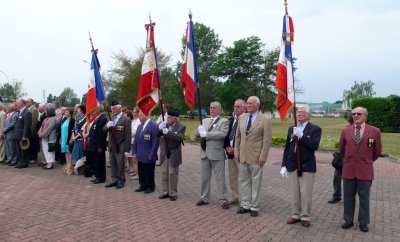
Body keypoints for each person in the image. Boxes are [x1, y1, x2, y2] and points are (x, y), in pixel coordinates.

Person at [340, 107, 382, 232]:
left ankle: (363, 222)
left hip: (365, 170)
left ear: (365, 116)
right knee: (348, 197)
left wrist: (366, 161)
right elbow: (342, 149)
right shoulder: (346, 131)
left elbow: (377, 151)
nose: (356, 115)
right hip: (348, 170)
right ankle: (348, 220)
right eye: (353, 114)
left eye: (359, 113)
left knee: (364, 198)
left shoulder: (374, 131)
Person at [280, 105, 322, 227]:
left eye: (302, 112)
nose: (299, 114)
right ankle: (295, 214)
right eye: (298, 112)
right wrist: (284, 164)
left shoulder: (315, 129)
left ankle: (305, 216)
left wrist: (302, 136)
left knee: (306, 193)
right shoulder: (291, 128)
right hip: (292, 165)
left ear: (309, 115)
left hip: (307, 165)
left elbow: (314, 145)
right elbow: (287, 148)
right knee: (294, 192)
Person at [235, 96, 272, 217]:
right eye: (247, 103)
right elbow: (238, 137)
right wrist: (237, 152)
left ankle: (254, 207)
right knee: (243, 181)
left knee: (256, 182)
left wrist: (263, 157)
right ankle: (245, 204)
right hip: (243, 155)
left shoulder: (265, 120)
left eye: (250, 103)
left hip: (256, 156)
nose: (248, 105)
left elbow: (267, 141)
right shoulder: (242, 117)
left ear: (257, 105)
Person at [195, 101, 230, 209]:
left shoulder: (224, 121)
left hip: (216, 153)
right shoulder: (204, 121)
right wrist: (199, 131)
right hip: (204, 153)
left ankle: (223, 199)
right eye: (211, 108)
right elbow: (197, 134)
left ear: (220, 109)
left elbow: (222, 134)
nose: (212, 110)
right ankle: (204, 198)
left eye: (214, 108)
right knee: (204, 177)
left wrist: (206, 134)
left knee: (220, 178)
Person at [157, 109, 186, 201]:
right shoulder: (164, 125)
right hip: (164, 152)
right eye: (167, 117)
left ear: (175, 119)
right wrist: (160, 129)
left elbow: (179, 138)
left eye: (169, 117)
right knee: (164, 173)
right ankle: (165, 192)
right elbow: (156, 134)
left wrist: (168, 132)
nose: (167, 119)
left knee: (172, 173)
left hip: (174, 152)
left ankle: (173, 193)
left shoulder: (181, 126)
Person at [103, 101, 132, 189]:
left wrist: (127, 150)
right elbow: (103, 130)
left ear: (120, 108)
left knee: (120, 164)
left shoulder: (126, 119)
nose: (113, 110)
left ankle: (121, 181)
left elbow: (128, 135)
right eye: (112, 109)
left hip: (121, 145)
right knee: (113, 163)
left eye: (114, 108)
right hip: (112, 145)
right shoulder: (110, 118)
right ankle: (114, 179)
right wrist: (108, 126)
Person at [224, 99, 246, 205]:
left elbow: (246, 139)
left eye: (238, 106)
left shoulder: (246, 120)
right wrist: (227, 147)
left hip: (241, 154)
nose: (236, 108)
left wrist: (236, 150)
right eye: (235, 106)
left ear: (244, 108)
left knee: (243, 178)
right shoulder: (231, 119)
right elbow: (227, 135)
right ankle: (234, 197)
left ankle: (245, 200)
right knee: (232, 177)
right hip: (230, 153)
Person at [132, 110, 160, 194]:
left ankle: (150, 186)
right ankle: (142, 185)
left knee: (149, 171)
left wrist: (152, 153)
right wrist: (134, 151)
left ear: (146, 115)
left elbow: (156, 142)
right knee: (141, 170)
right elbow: (136, 140)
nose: (139, 117)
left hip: (148, 153)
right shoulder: (140, 126)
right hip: (140, 153)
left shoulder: (154, 126)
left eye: (140, 116)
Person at [328, 115, 354, 204]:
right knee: (339, 178)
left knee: (342, 179)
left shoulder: (348, 130)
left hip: (350, 160)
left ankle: (341, 197)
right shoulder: (346, 130)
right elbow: (341, 145)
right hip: (344, 159)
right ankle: (339, 196)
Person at [87, 109, 108, 184]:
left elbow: (101, 134)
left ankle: (101, 177)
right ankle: (97, 176)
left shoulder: (103, 118)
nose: (93, 110)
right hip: (93, 144)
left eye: (95, 109)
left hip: (98, 144)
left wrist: (100, 146)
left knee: (100, 162)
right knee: (96, 161)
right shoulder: (97, 118)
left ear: (98, 110)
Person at [37, 104, 57, 169]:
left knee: (50, 151)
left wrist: (42, 134)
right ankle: (48, 163)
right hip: (44, 138)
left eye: (46, 110)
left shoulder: (53, 119)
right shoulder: (46, 119)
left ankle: (50, 164)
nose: (45, 112)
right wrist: (39, 132)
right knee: (45, 150)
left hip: (49, 138)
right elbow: (42, 127)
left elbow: (49, 129)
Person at [14, 99, 32, 169]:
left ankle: (25, 163)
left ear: (22, 104)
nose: (16, 105)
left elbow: (27, 125)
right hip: (17, 134)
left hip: (22, 135)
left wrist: (24, 135)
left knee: (24, 149)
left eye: (17, 103)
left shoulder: (27, 112)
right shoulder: (20, 112)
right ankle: (21, 162)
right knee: (19, 150)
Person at [126, 108, 140, 179]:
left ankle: (138, 173)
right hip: (131, 140)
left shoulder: (138, 121)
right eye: (133, 112)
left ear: (138, 113)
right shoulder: (134, 120)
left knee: (135, 158)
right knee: (131, 155)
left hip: (134, 140)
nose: (133, 113)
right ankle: (134, 171)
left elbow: (134, 131)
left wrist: (127, 135)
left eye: (134, 112)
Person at [60, 108, 75, 172]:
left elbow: (73, 131)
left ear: (70, 113)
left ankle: (71, 165)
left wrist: (71, 139)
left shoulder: (72, 120)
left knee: (69, 151)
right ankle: (67, 165)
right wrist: (60, 138)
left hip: (68, 138)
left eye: (67, 112)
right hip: (63, 138)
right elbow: (61, 129)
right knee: (66, 152)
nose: (65, 113)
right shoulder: (64, 120)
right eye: (65, 112)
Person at [26, 98, 39, 164]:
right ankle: (30, 157)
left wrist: (32, 130)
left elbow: (34, 121)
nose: (26, 103)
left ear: (31, 102)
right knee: (29, 145)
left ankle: (33, 158)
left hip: (32, 131)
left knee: (33, 145)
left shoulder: (34, 110)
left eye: (27, 102)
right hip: (28, 130)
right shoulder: (28, 109)